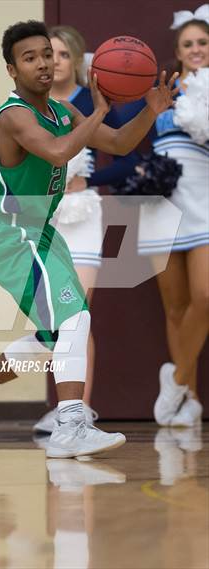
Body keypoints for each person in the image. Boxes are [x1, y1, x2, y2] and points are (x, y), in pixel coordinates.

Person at [0, 20, 178, 459]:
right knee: (75, 322)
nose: (43, 64)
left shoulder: (64, 110)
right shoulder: (13, 116)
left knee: (55, 334)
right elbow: (58, 151)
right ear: (12, 70)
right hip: (11, 235)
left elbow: (121, 144)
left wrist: (151, 111)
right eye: (30, 58)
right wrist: (100, 111)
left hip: (39, 233)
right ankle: (70, 423)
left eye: (47, 54)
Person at [33, 26, 140, 434]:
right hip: (43, 217)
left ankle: (78, 408)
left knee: (76, 314)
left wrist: (88, 182)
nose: (53, 62)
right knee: (51, 318)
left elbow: (126, 160)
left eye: (61, 54)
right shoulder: (32, 107)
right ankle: (65, 405)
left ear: (76, 60)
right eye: (47, 54)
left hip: (81, 215)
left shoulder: (89, 103)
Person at [138, 6, 208, 427]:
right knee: (176, 307)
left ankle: (177, 380)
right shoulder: (165, 87)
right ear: (178, 50)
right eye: (188, 44)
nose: (196, 49)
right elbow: (134, 133)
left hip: (205, 196)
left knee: (205, 297)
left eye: (202, 42)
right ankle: (190, 400)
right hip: (164, 200)